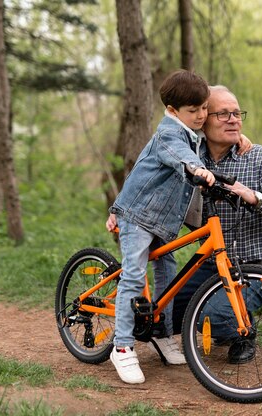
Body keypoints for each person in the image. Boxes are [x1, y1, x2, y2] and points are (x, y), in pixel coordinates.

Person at [171, 85, 262, 364]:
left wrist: (253, 197)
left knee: (209, 317)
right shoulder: (191, 156)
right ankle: (225, 317)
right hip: (209, 265)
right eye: (223, 114)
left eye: (237, 113)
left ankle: (243, 330)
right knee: (166, 315)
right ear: (203, 119)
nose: (234, 119)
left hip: (254, 267)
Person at [106, 69, 216, 385]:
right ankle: (122, 346)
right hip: (139, 217)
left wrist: (241, 137)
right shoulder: (169, 135)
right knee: (134, 274)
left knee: (169, 278)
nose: (201, 116)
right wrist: (196, 168)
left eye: (203, 108)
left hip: (163, 222)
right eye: (193, 111)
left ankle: (162, 334)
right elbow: (178, 155)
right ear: (172, 111)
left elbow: (204, 137)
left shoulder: (194, 132)